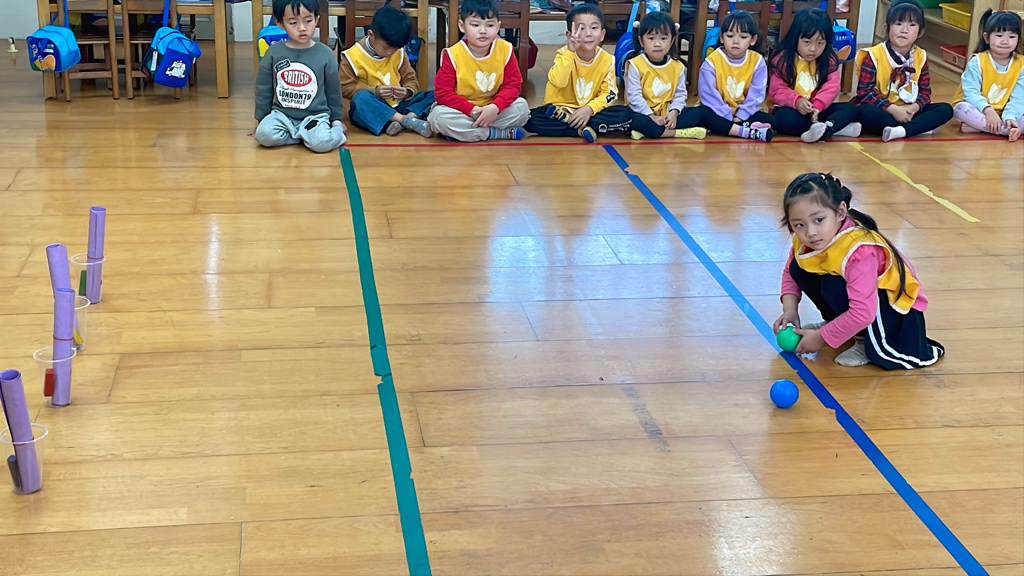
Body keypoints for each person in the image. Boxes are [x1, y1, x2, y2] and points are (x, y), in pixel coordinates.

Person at [773, 172, 944, 370]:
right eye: (799, 224)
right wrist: (790, 310)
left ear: (840, 212)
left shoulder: (859, 251)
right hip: (864, 303)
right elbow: (790, 273)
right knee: (799, 268)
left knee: (832, 284)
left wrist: (821, 337)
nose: (810, 232)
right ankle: (839, 325)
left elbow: (863, 312)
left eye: (819, 220)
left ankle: (864, 340)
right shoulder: (807, 238)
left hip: (894, 312)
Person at [523, 2, 633, 142]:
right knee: (530, 118)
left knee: (626, 114)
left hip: (590, 112)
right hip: (560, 111)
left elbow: (610, 94)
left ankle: (576, 126)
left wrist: (589, 109)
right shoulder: (563, 54)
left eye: (594, 28)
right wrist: (570, 52)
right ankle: (583, 128)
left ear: (602, 34)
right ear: (569, 35)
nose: (588, 33)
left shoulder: (607, 60)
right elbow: (558, 82)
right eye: (581, 28)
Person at [426, 0, 531, 142]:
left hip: (494, 108)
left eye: (490, 25)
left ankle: (467, 133)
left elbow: (513, 85)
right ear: (462, 26)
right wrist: (471, 110)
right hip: (464, 111)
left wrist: (495, 107)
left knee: (522, 108)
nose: (483, 30)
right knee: (438, 117)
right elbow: (443, 93)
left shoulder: (505, 49)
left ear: (498, 26)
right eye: (475, 25)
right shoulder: (452, 54)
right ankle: (494, 133)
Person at [850, 0, 953, 142]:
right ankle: (917, 127)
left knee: (945, 109)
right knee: (864, 112)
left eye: (912, 25)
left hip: (908, 110)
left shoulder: (920, 56)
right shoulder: (873, 55)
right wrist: (894, 109)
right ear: (887, 28)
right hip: (883, 110)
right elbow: (864, 92)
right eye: (898, 24)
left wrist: (913, 108)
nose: (904, 30)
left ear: (920, 32)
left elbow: (925, 93)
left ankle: (902, 130)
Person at [254, 0, 346, 152]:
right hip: (282, 115)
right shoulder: (273, 53)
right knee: (263, 135)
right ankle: (302, 137)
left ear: (316, 19)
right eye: (293, 23)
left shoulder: (325, 54)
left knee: (321, 143)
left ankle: (333, 134)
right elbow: (263, 88)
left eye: (308, 21)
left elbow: (333, 91)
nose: (302, 28)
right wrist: (261, 119)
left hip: (315, 116)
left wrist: (336, 121)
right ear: (280, 23)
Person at [340, 5, 435, 137]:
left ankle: (401, 121)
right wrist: (375, 91)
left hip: (399, 105)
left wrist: (407, 91)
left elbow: (411, 79)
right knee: (360, 99)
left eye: (395, 49)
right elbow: (345, 88)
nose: (390, 53)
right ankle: (406, 120)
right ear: (371, 34)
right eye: (386, 48)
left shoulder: (399, 53)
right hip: (374, 107)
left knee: (435, 94)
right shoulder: (351, 56)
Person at [767, 8, 860, 142]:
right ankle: (833, 128)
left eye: (820, 43)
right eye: (807, 42)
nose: (813, 49)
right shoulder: (783, 59)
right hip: (794, 110)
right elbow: (777, 90)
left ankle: (824, 129)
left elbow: (832, 86)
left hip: (818, 110)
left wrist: (818, 106)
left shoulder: (829, 60)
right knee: (783, 117)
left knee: (850, 108)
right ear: (795, 38)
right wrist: (798, 101)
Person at [623, 11, 707, 140]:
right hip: (644, 114)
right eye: (651, 38)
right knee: (629, 118)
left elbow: (680, 94)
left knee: (697, 113)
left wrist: (673, 113)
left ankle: (652, 131)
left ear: (672, 40)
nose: (657, 44)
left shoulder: (677, 66)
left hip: (667, 114)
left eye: (663, 38)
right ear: (641, 40)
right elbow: (634, 97)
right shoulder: (635, 64)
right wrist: (652, 116)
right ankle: (677, 133)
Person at [696, 10, 776, 142]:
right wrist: (727, 115)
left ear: (753, 40)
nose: (736, 41)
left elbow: (757, 94)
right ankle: (747, 129)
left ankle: (737, 127)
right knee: (703, 114)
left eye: (743, 37)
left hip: (743, 113)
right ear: (721, 37)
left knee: (773, 120)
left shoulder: (757, 61)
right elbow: (708, 94)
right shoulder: (711, 61)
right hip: (718, 111)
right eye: (730, 36)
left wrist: (741, 115)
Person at [952, 9, 1024, 141]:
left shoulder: (1021, 64)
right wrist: (988, 111)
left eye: (1012, 37)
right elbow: (970, 93)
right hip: (980, 110)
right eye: (999, 35)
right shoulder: (977, 61)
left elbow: (1019, 97)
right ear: (986, 38)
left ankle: (982, 127)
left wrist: (1010, 117)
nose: (1005, 41)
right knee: (961, 109)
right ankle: (1006, 131)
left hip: (1006, 111)